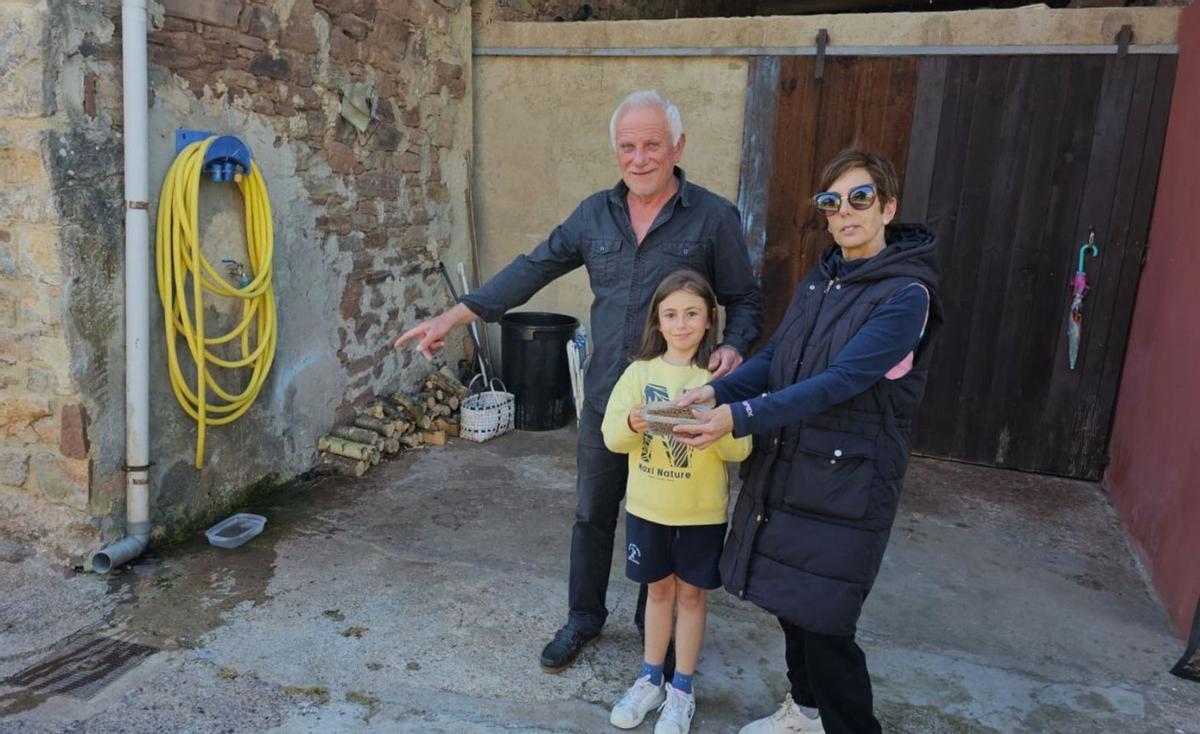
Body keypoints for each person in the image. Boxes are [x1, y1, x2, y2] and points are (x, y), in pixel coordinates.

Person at [394, 90, 762, 673]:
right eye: (627, 147)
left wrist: (736, 345)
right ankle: (584, 618)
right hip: (606, 402)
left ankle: (654, 628)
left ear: (678, 148)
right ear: (616, 151)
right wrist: (453, 315)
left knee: (664, 518)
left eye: (652, 145)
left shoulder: (714, 217)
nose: (639, 158)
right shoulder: (594, 215)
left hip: (677, 405)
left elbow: (744, 298)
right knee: (593, 513)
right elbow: (533, 268)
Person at [673, 149, 943, 734]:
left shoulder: (906, 297)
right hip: (794, 470)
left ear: (888, 207)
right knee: (791, 606)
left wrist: (740, 416)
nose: (845, 212)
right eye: (832, 202)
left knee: (826, 627)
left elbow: (840, 382)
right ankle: (804, 714)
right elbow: (776, 357)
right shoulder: (824, 279)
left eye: (861, 198)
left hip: (848, 485)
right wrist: (716, 392)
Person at [602, 271, 751, 734]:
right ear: (658, 321)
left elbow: (740, 451)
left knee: (691, 594)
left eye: (691, 314)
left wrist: (714, 426)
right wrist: (632, 419)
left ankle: (681, 688)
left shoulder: (722, 379)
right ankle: (650, 678)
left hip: (701, 513)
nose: (681, 324)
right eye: (671, 315)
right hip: (648, 509)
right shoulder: (638, 373)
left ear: (710, 319)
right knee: (658, 591)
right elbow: (612, 438)